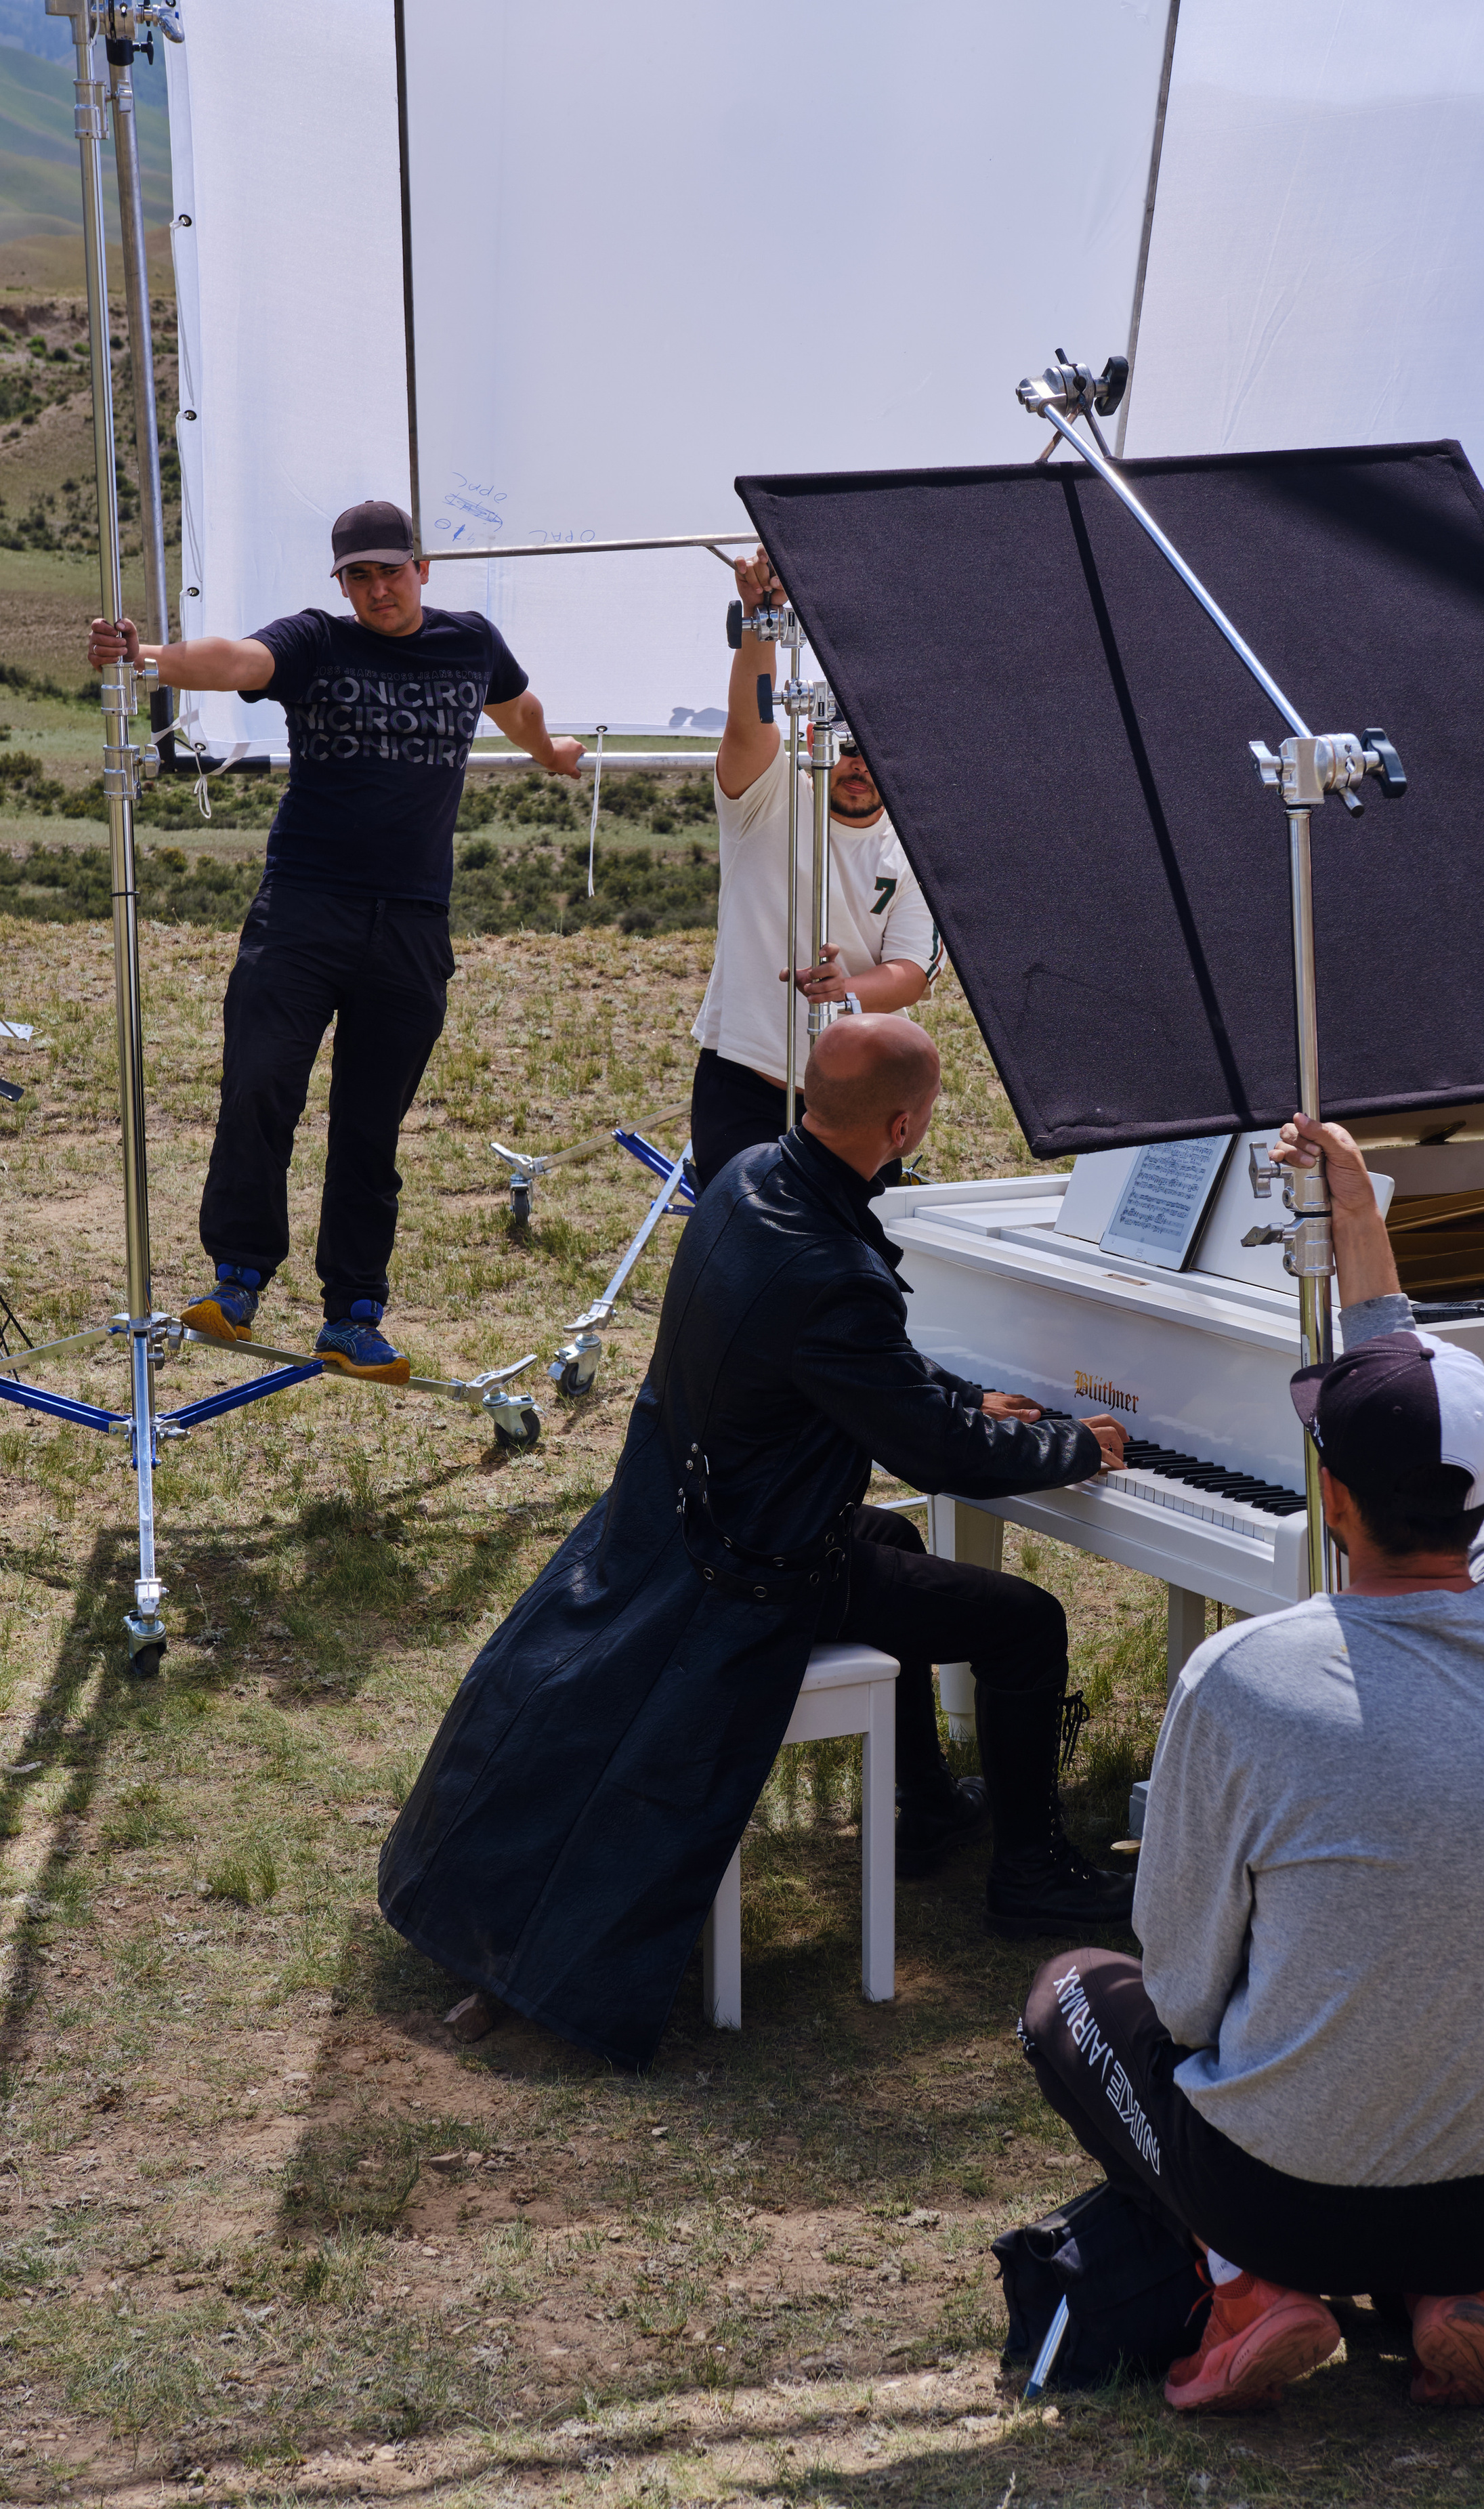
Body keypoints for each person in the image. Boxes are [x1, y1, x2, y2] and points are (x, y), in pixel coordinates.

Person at [381, 1016, 1137, 2069]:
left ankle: (926, 1807)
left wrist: (970, 1398)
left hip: (700, 1515)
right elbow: (940, 1453)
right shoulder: (832, 1271)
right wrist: (1071, 1444)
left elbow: (876, 1380)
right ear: (907, 1123)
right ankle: (1030, 1872)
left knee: (889, 1553)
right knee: (1022, 1619)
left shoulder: (744, 1180)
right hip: (753, 1573)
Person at [1019, 1111, 1484, 2415]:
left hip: (1281, 2199)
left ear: (1331, 1501)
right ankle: (1461, 2298)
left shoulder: (1244, 1677)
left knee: (1072, 1992)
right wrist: (1363, 1230)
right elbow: (1423, 1418)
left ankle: (1249, 2289)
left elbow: (1177, 1992)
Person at [85, 499, 584, 1384]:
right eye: (359, 574)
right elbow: (237, 658)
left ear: (422, 568)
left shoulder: (471, 642)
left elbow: (517, 703)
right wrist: (150, 655)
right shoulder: (318, 640)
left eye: (390, 569)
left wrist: (550, 754)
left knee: (369, 1125)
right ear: (342, 582)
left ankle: (354, 1314)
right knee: (260, 1082)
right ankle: (237, 1279)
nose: (377, 587)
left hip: (413, 924)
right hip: (305, 911)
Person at [687, 545, 947, 1189]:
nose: (860, 765)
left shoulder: (916, 844)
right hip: (747, 1075)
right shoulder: (769, 795)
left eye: (876, 751)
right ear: (816, 740)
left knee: (845, 1259)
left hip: (858, 1093)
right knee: (744, 1247)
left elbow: (914, 971)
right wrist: (757, 623)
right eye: (847, 746)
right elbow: (750, 723)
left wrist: (848, 993)